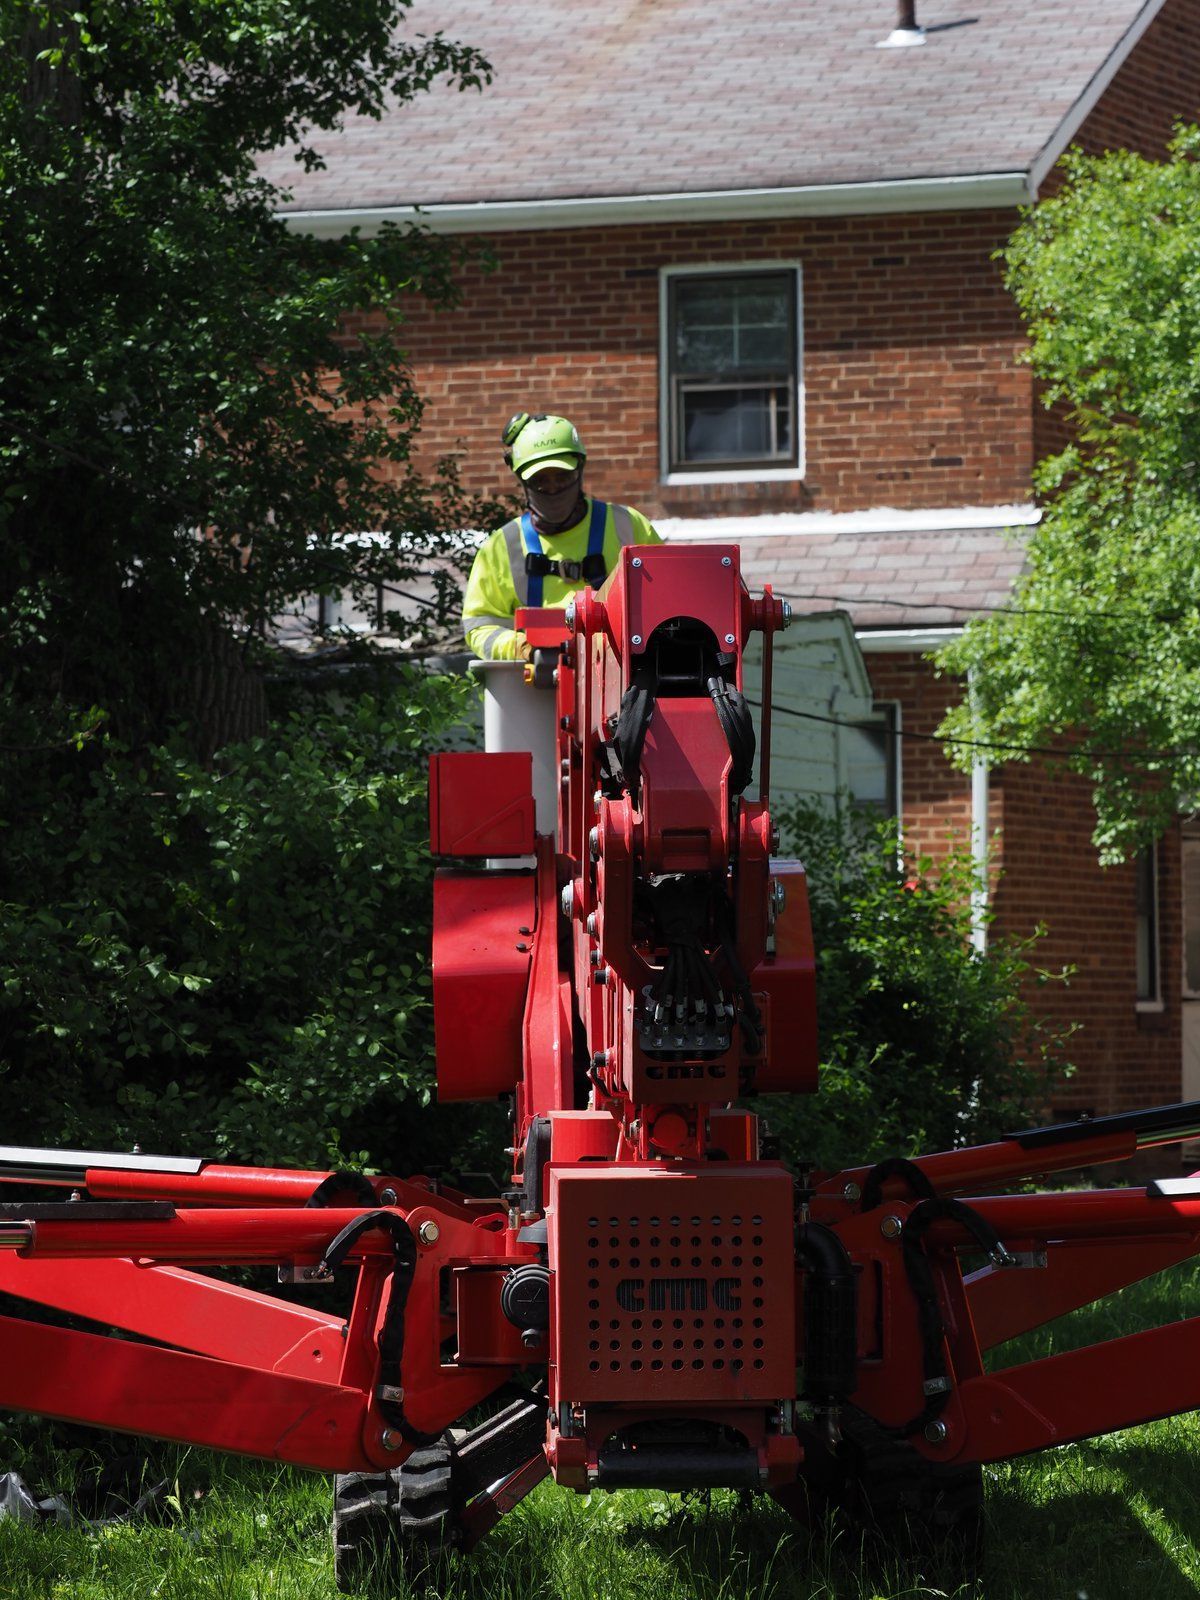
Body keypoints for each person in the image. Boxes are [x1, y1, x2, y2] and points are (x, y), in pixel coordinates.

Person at [463, 412, 661, 660]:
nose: (554, 488)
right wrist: (522, 647)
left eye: (562, 476)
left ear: (580, 468)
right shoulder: (502, 546)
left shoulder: (628, 526)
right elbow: (479, 626)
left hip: (619, 676)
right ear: (521, 480)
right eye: (541, 481)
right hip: (531, 683)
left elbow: (665, 602)